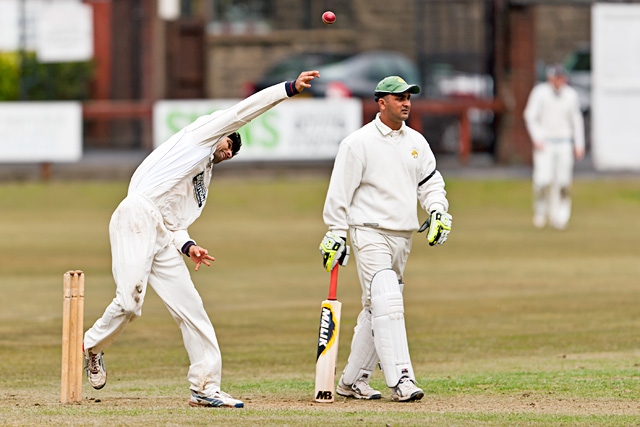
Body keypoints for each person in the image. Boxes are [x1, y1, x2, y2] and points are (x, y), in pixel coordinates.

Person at [82, 70, 321, 409]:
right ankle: (91, 347)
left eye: (235, 150)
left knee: (192, 310)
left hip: (162, 234)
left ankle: (205, 387)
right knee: (131, 300)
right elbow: (243, 112)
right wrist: (288, 89)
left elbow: (173, 221)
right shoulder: (199, 137)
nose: (231, 149)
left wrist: (187, 245)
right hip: (135, 215)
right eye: (230, 142)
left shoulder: (201, 180)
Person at [319, 76, 452, 402]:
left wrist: (437, 210)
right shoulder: (357, 143)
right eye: (398, 98)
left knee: (375, 307)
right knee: (388, 300)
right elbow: (339, 195)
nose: (405, 103)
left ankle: (352, 381)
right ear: (381, 103)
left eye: (408, 97)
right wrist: (336, 233)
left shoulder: (417, 142)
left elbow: (431, 184)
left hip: (403, 235)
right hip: (369, 231)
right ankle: (402, 379)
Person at [524, 63, 585, 230]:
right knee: (543, 180)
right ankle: (541, 212)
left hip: (564, 142)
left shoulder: (571, 95)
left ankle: (560, 216)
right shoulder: (540, 93)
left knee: (563, 181)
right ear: (550, 78)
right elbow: (530, 116)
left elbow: (576, 121)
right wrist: (537, 137)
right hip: (545, 143)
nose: (558, 81)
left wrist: (579, 144)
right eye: (555, 77)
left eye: (561, 77)